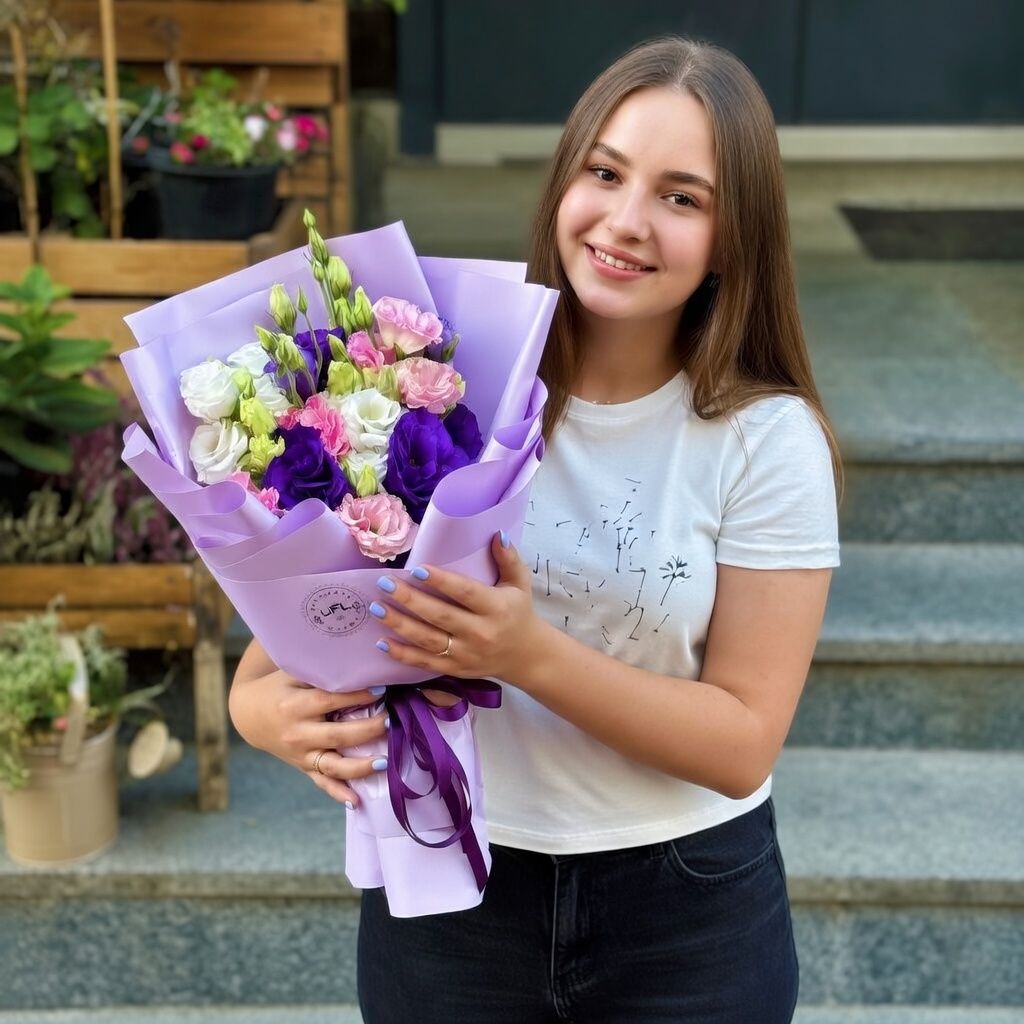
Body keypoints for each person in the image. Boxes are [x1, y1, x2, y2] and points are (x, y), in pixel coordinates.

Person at [229, 35, 842, 1024]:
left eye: (681, 197)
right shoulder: (441, 385)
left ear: (734, 238)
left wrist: (525, 654)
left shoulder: (766, 439)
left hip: (687, 914)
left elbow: (742, 741)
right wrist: (264, 718)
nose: (626, 220)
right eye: (604, 173)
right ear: (564, 182)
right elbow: (272, 665)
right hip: (451, 887)